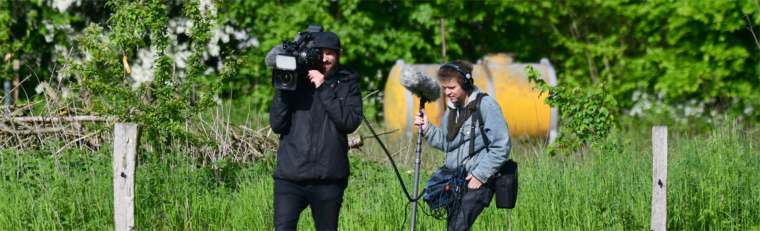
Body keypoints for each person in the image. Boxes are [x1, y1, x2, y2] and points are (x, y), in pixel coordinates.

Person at [268, 31, 363, 230]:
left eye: (330, 53)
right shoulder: (298, 78)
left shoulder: (348, 82)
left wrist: (323, 88)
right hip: (290, 176)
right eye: (320, 53)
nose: (325, 58)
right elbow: (277, 125)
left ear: (340, 54)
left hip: (329, 178)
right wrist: (284, 88)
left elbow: (350, 122)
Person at [414, 60, 511, 231]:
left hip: (478, 181)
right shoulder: (453, 109)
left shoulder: (487, 106)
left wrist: (480, 175)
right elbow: (446, 143)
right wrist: (427, 128)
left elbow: (501, 147)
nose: (447, 92)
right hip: (455, 181)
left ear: (466, 83)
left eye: (451, 87)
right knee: (453, 227)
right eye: (444, 88)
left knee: (456, 229)